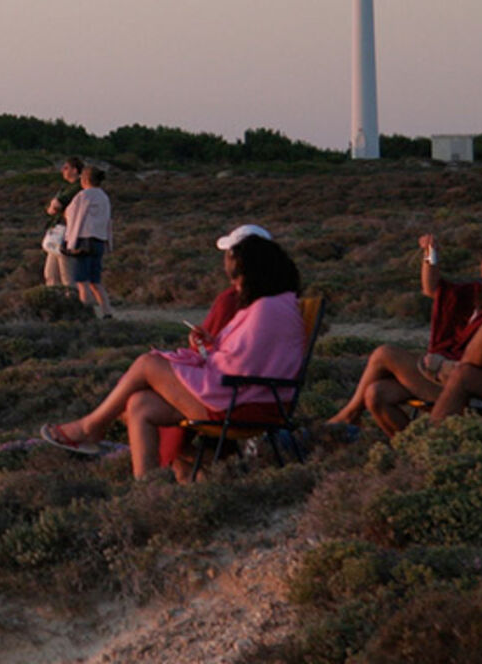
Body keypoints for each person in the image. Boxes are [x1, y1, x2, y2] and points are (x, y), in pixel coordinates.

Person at [41, 235, 305, 478]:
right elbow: (244, 358)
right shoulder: (274, 305)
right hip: (249, 396)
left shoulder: (265, 310)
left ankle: (90, 428)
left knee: (147, 364)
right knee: (139, 404)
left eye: (237, 278)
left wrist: (204, 358)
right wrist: (211, 346)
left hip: (241, 403)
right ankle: (146, 488)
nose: (235, 286)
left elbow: (235, 367)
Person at [327, 224, 482, 436]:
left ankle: (348, 415)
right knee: (376, 394)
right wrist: (431, 254)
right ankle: (412, 449)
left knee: (385, 354)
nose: (481, 259)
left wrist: (449, 366)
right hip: (445, 374)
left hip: (468, 385)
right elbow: (433, 289)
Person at [156, 222, 274, 466]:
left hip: (231, 397)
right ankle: (191, 471)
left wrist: (200, 347)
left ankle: (92, 430)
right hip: (260, 393)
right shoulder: (275, 300)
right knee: (140, 399)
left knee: (145, 379)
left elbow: (220, 360)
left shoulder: (232, 299)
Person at [62, 166, 113, 315]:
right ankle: (106, 311)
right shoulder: (104, 197)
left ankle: (85, 312)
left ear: (84, 180)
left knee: (81, 281)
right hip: (99, 240)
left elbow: (75, 218)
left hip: (84, 240)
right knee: (95, 281)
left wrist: (70, 242)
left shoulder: (83, 196)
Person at [41, 158, 83, 286]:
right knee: (50, 274)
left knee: (67, 274)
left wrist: (55, 206)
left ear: (75, 170)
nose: (62, 171)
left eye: (66, 168)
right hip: (57, 234)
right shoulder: (66, 187)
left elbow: (58, 204)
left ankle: (71, 302)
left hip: (67, 234)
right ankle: (55, 301)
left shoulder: (78, 187)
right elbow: (51, 207)